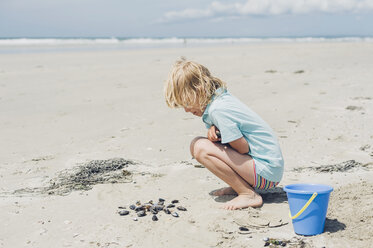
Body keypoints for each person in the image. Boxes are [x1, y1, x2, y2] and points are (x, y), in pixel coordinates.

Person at [164, 59, 284, 210]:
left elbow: (242, 149)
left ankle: (248, 194)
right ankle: (241, 186)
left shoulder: (218, 110)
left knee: (200, 147)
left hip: (266, 172)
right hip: (269, 169)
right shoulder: (220, 100)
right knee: (202, 144)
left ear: (199, 89)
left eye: (186, 102)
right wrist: (216, 131)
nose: (186, 110)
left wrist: (219, 139)